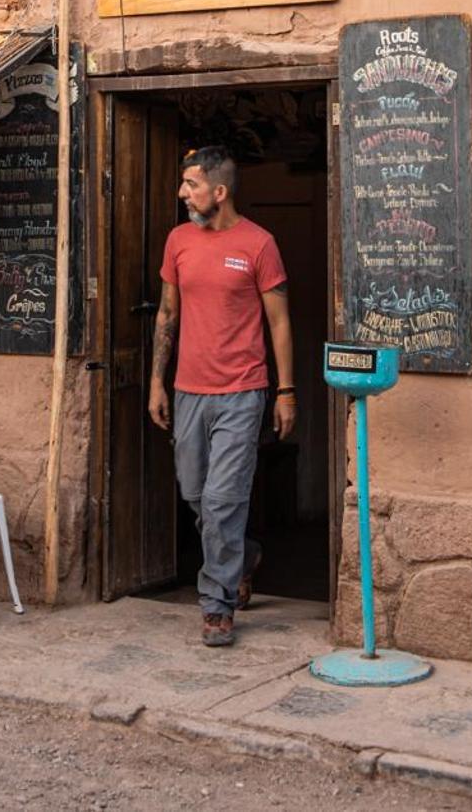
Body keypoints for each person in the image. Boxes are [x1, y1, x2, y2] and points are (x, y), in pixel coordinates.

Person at [148, 145, 294, 647]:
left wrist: (286, 391)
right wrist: (155, 384)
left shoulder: (259, 244)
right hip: (189, 391)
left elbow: (279, 322)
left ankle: (217, 603)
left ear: (220, 191)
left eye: (190, 184)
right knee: (195, 493)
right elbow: (167, 315)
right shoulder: (178, 241)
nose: (182, 193)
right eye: (183, 184)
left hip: (243, 391)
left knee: (222, 498)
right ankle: (245, 555)